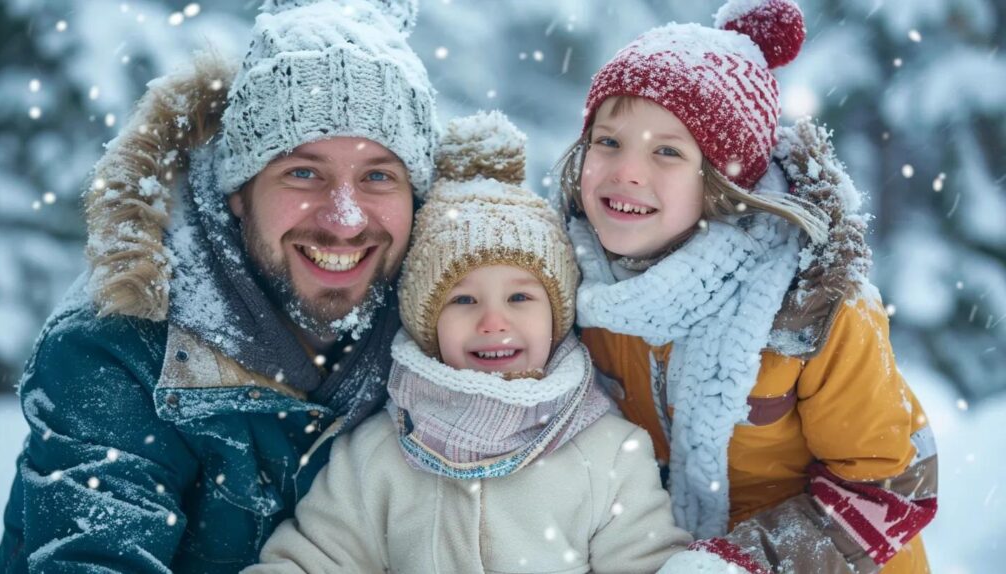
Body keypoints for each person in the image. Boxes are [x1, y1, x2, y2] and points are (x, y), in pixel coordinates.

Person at [0, 0, 438, 571]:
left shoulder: (454, 328)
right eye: (304, 172)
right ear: (239, 189)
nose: (345, 218)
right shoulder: (118, 350)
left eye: (379, 175)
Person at [242, 111, 724, 574]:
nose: (494, 322)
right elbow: (314, 560)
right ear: (426, 323)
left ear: (556, 318)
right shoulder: (376, 454)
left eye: (519, 296)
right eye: (464, 300)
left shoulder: (609, 453)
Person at [557, 0, 938, 572]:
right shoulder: (574, 284)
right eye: (608, 141)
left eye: (668, 151)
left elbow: (895, 484)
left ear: (724, 185)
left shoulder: (812, 306)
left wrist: (740, 562)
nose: (626, 171)